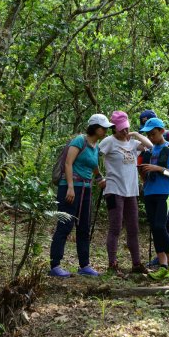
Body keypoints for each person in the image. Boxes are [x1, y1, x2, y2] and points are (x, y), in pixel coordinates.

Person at [48, 114, 112, 277]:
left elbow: (93, 165)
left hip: (86, 189)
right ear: (95, 128)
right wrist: (70, 187)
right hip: (70, 188)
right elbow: (69, 163)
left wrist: (99, 178)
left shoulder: (95, 146)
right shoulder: (79, 140)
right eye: (103, 128)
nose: (106, 130)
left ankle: (84, 265)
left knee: (84, 227)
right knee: (65, 225)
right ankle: (55, 265)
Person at [99, 111, 152, 276]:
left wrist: (135, 134)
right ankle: (112, 264)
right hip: (114, 190)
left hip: (131, 191)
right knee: (115, 227)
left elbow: (150, 145)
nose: (124, 131)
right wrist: (99, 177)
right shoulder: (109, 142)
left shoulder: (133, 143)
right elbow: (94, 156)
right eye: (121, 129)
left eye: (126, 128)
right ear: (114, 128)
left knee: (133, 228)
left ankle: (136, 263)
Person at [139, 110, 169, 266]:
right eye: (148, 135)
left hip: (164, 192)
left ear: (162, 131)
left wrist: (158, 169)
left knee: (160, 225)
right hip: (149, 192)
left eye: (153, 134)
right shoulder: (149, 151)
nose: (150, 137)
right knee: (154, 227)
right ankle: (162, 263)